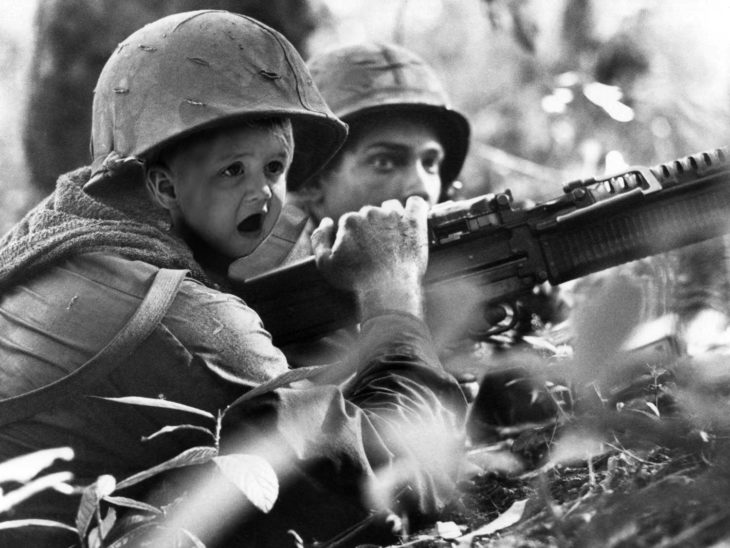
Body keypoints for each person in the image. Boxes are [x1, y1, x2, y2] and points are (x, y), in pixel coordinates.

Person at [0, 11, 465, 548]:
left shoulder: (59, 248)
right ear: (164, 186)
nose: (263, 195)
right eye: (231, 171)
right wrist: (393, 291)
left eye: (275, 168)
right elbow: (401, 469)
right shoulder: (183, 314)